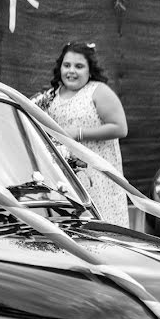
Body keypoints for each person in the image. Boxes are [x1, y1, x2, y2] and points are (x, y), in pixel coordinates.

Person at [38, 41, 129, 227]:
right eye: (67, 65)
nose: (71, 71)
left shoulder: (98, 91)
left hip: (98, 178)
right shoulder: (51, 96)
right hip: (64, 178)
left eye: (79, 66)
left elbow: (121, 128)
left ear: (90, 70)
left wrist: (78, 134)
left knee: (101, 229)